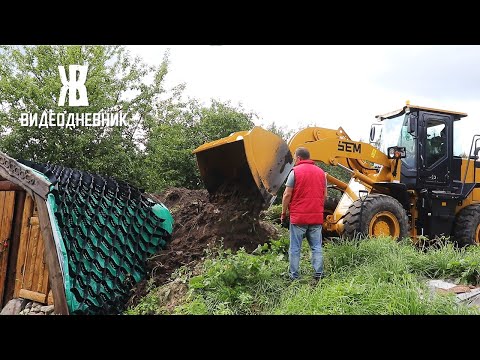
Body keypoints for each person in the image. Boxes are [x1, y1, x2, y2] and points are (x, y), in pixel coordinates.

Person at [281, 147, 327, 281]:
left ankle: (294, 276)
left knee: (295, 248)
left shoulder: (294, 172)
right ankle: (318, 274)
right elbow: (324, 196)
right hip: (316, 218)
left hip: (299, 218)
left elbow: (287, 194)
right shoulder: (321, 173)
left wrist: (283, 213)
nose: (294, 160)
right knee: (316, 247)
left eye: (295, 158)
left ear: (299, 158)